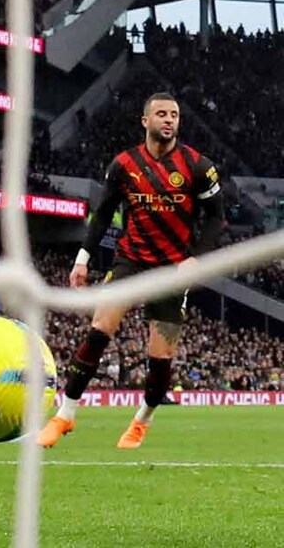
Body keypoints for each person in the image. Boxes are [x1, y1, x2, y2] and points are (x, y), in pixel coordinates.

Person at [38, 92, 224, 449]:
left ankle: (142, 421)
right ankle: (65, 415)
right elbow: (104, 213)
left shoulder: (198, 166)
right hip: (130, 261)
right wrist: (83, 257)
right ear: (145, 121)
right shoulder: (124, 165)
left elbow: (217, 217)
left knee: (161, 357)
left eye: (174, 115)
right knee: (99, 328)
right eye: (161, 114)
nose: (169, 120)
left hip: (172, 270)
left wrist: (197, 257)